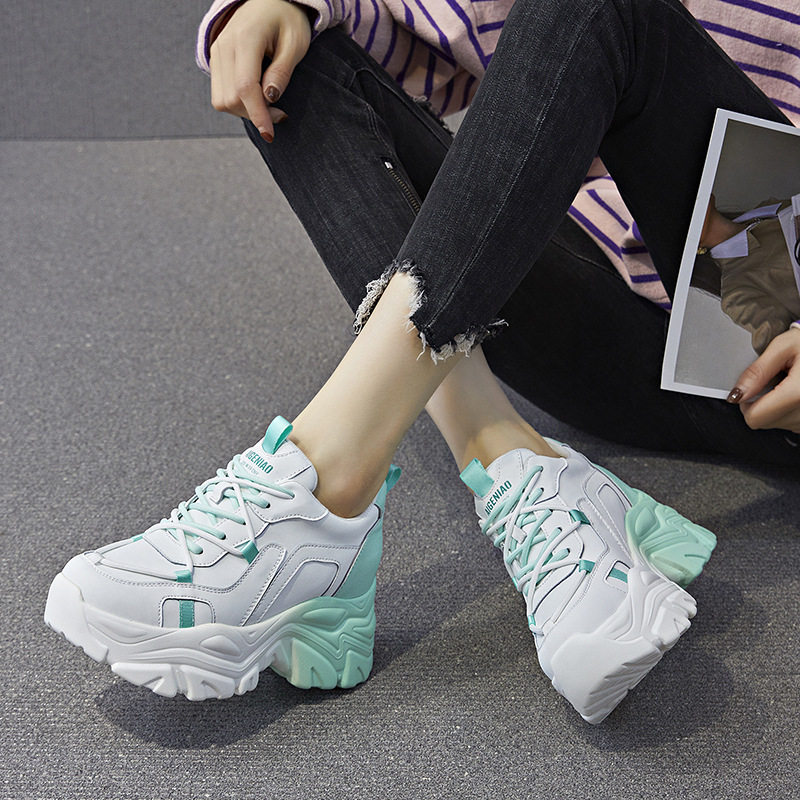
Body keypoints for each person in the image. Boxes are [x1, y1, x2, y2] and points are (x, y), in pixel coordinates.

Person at [43, 0, 798, 724]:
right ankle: (510, 460)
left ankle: (320, 494)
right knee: (292, 60)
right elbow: (459, 30)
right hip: (608, 326)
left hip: (776, 331)